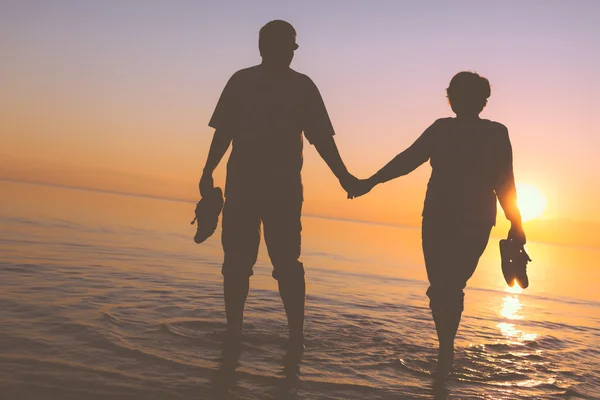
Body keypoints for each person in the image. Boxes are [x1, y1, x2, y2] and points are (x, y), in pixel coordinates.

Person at [348, 71, 527, 379]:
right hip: (447, 218)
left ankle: (445, 352)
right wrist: (372, 181)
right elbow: (409, 160)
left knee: (446, 286)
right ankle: (446, 350)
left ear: (481, 101)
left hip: (458, 218)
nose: (461, 101)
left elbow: (505, 181)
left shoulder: (489, 132)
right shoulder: (453, 130)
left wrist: (516, 222)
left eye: (467, 95)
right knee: (445, 287)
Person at [200, 20, 358, 351]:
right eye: (289, 46)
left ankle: (293, 337)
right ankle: (239, 331)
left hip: (279, 191)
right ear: (268, 47)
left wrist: (343, 176)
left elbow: (321, 138)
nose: (291, 52)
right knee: (239, 263)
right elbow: (224, 132)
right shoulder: (245, 81)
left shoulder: (298, 86)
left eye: (293, 47)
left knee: (282, 263)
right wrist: (207, 171)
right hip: (247, 189)